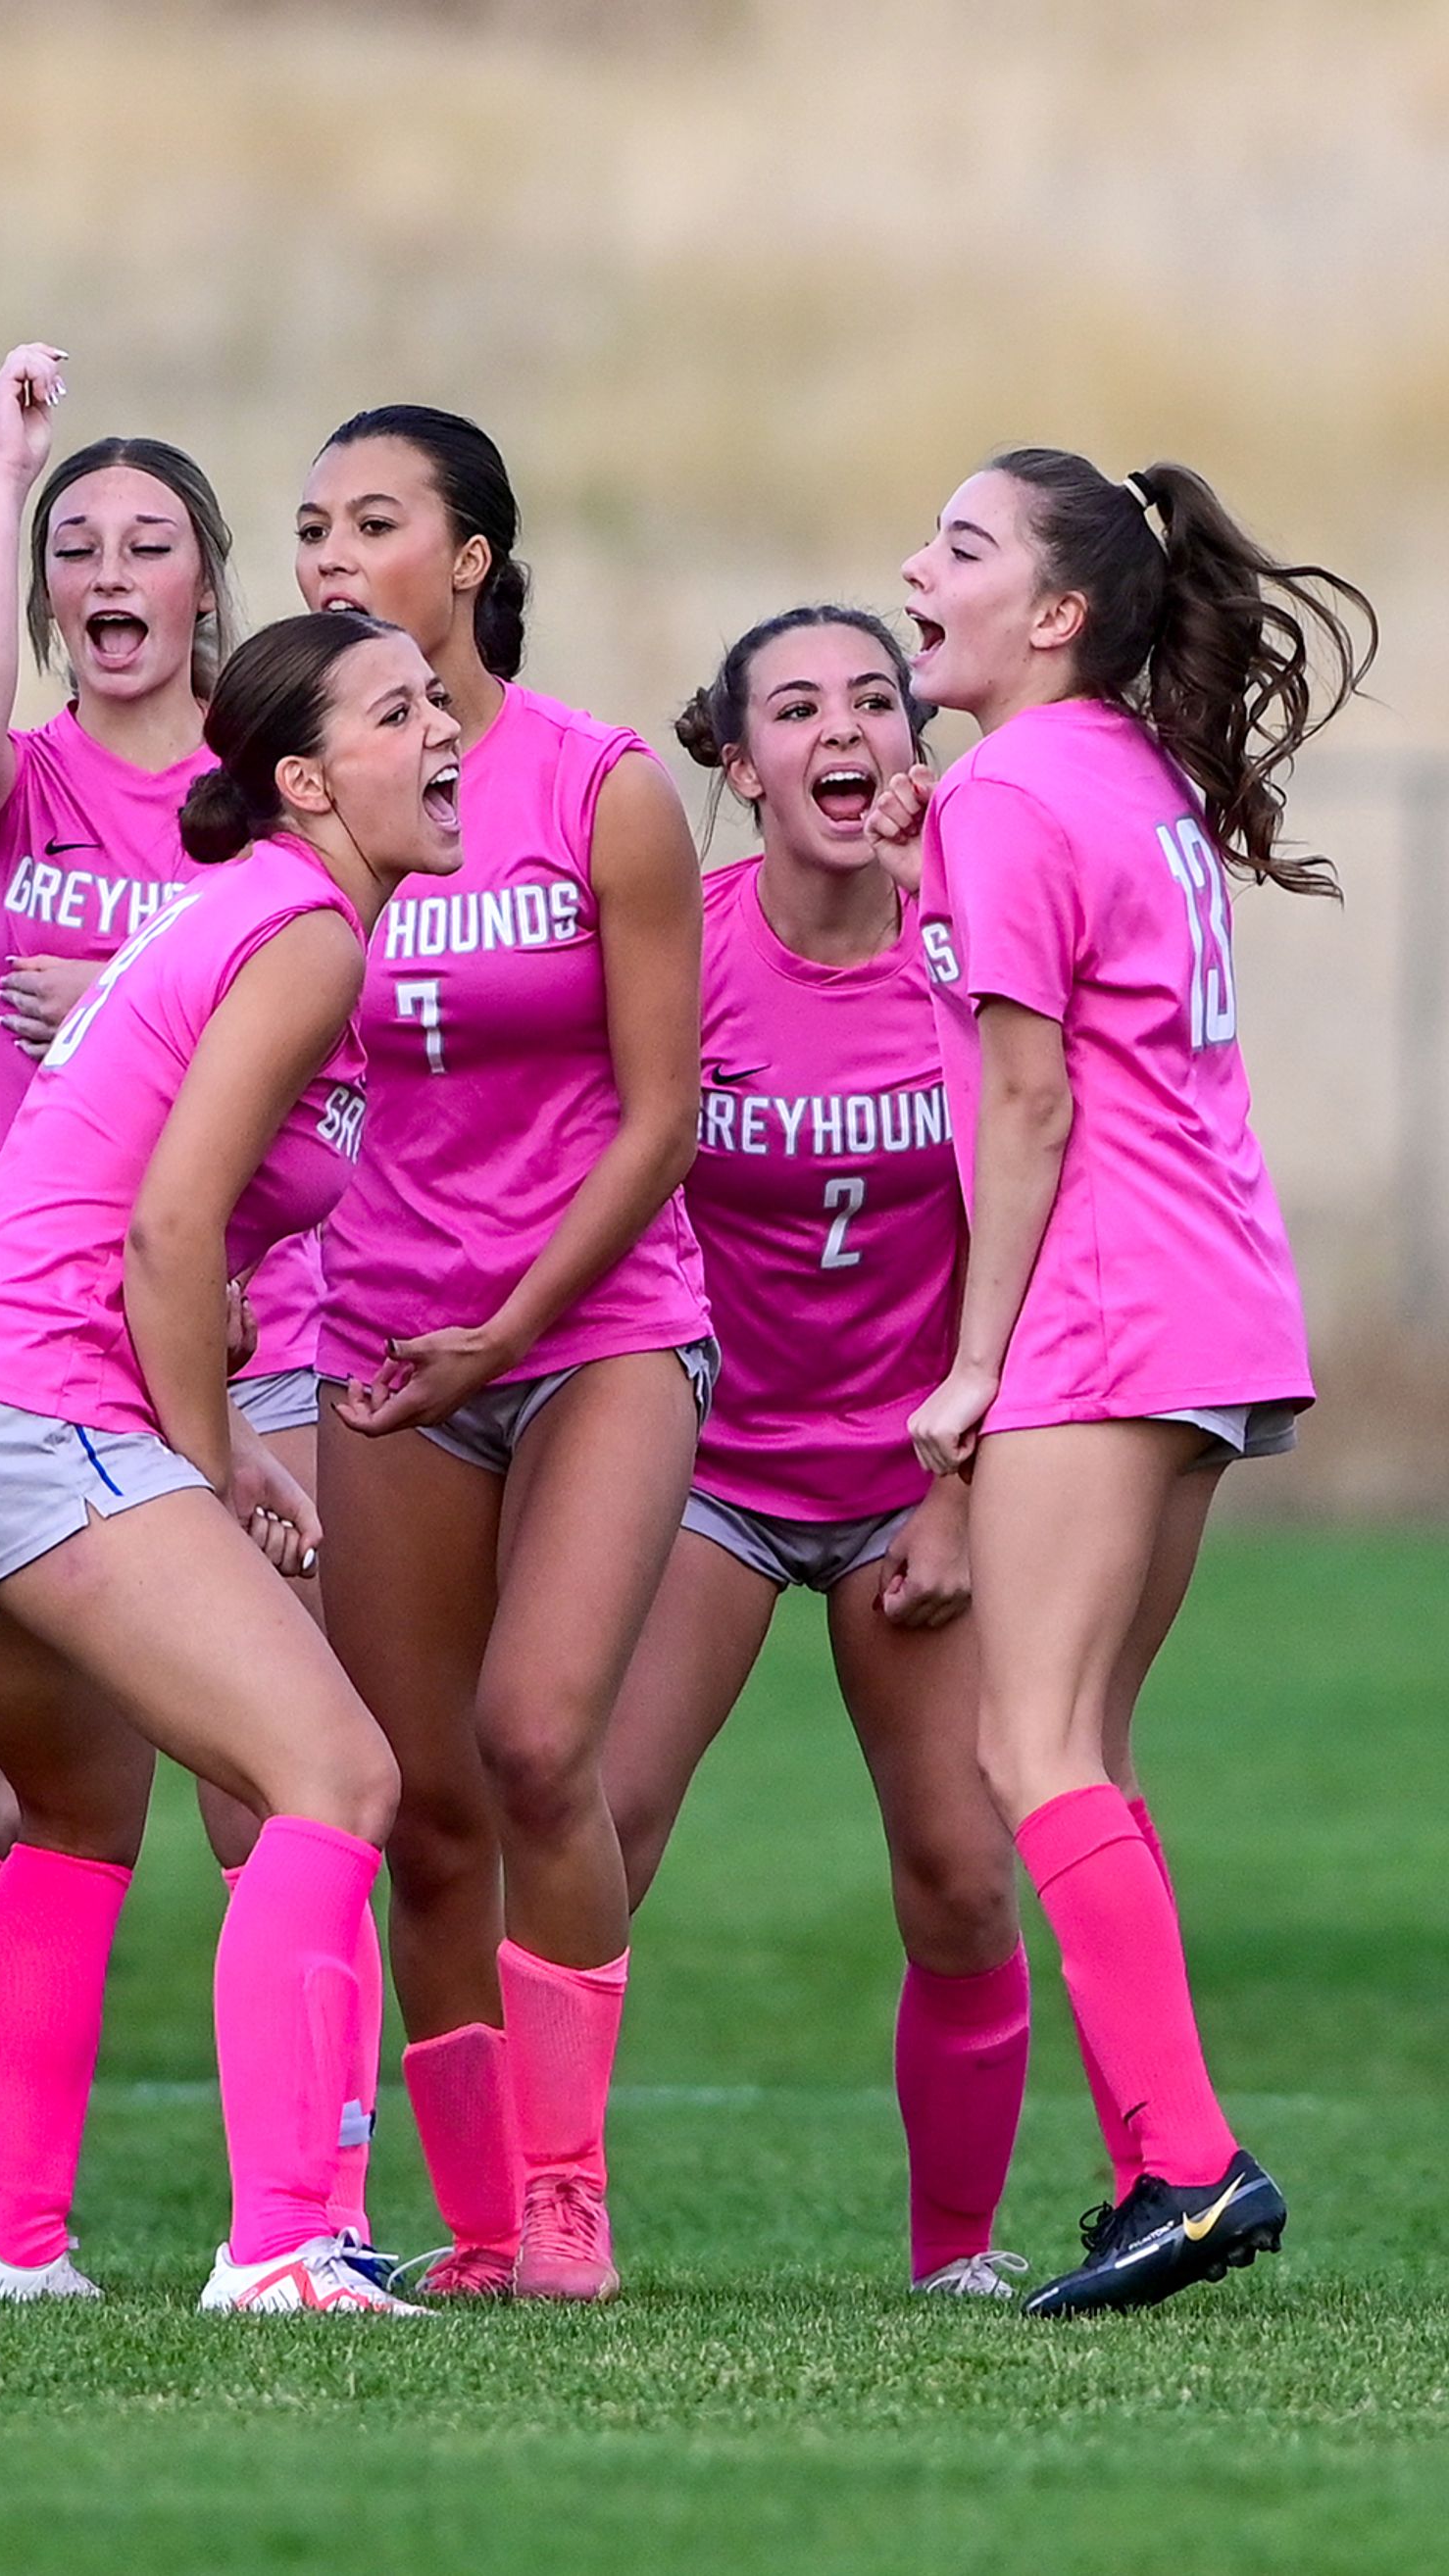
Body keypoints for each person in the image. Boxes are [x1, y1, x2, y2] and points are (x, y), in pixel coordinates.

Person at [0, 609, 454, 2311]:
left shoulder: (243, 914)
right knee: (336, 1783)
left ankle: (11, 2250)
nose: (446, 732)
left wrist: (213, 1398)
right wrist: (205, 1461)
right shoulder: (306, 933)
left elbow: (155, 1208)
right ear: (307, 779)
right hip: (32, 1408)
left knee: (75, 1820)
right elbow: (173, 1229)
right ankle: (281, 2247)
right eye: (401, 711)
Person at [882, 449, 1372, 2316]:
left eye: (962, 547)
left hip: (1103, 1304)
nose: (918, 570)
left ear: (1059, 615)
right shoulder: (1121, 772)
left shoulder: (1016, 786)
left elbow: (1028, 1096)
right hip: (1215, 1296)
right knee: (1080, 1750)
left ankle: (1189, 2168)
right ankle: (1160, 2173)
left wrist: (977, 1363)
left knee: (1034, 1749)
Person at [296, 406, 708, 2301]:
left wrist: (517, 1326)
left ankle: (567, 2195)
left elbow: (662, 1115)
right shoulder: (314, 807)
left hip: (594, 1327)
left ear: (469, 563)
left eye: (373, 523)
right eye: (309, 528)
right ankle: (475, 2229)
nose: (328, 556)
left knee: (542, 1743)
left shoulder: (604, 786)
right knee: (422, 1796)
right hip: (382, 1343)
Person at [0, 344, 281, 2280]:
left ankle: (306, 2208)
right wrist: (0, 462)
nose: (111, 574)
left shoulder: (268, 801)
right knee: (33, 1796)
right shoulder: (14, 795)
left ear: (211, 584)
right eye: (76, 551)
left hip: (254, 1318)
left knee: (263, 1781)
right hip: (35, 1337)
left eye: (150, 544)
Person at [597, 606, 1025, 2297]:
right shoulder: (676, 949)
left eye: (875, 699)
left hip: (912, 1482)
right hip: (705, 1467)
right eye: (796, 707)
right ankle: (530, 2213)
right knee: (597, 1828)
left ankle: (959, 2260)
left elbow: (1041, 1216)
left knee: (961, 1873)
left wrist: (963, 1489)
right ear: (737, 759)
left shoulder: (971, 941)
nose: (843, 731)